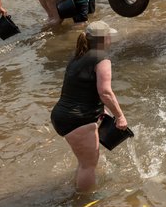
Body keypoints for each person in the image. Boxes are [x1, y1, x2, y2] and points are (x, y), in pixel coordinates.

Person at [50, 21, 127, 193]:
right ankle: (85, 201)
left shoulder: (77, 57)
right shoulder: (102, 58)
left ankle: (78, 189)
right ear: (104, 39)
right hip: (78, 119)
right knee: (88, 165)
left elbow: (80, 88)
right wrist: (120, 116)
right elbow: (105, 92)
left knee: (84, 162)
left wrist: (101, 110)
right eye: (109, 36)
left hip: (62, 115)